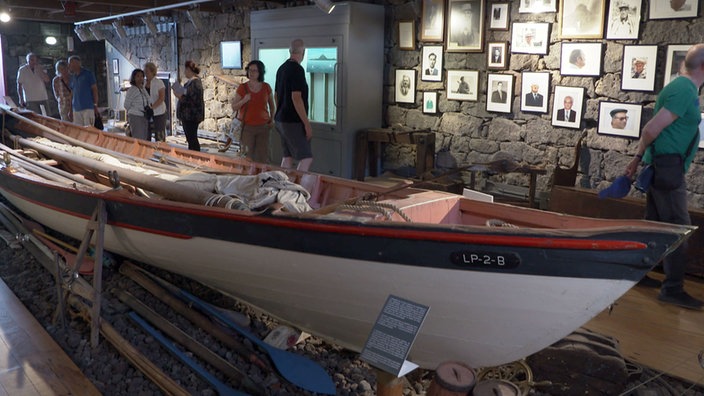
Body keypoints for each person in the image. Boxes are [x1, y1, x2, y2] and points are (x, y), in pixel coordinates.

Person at [624, 43, 704, 310]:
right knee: (678, 230)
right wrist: (637, 157)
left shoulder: (683, 88)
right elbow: (651, 129)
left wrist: (639, 159)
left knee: (654, 226)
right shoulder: (683, 90)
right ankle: (672, 289)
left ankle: (637, 275)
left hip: (664, 166)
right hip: (667, 168)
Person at [274, 39, 313, 171]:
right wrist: (306, 123)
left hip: (280, 119)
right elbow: (296, 98)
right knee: (306, 157)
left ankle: (282, 186)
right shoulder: (297, 70)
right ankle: (299, 190)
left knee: (287, 156)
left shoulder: (281, 68)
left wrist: (278, 112)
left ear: (290, 51)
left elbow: (276, 95)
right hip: (292, 121)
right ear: (303, 52)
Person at [229, 60, 276, 163]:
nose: (252, 73)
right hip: (247, 127)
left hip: (263, 127)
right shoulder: (243, 88)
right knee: (247, 156)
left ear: (260, 72)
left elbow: (272, 106)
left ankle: (263, 177)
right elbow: (234, 107)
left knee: (263, 156)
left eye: (255, 70)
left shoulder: (266, 87)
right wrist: (244, 100)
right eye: (250, 70)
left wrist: (272, 119)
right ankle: (248, 177)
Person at [174, 60, 204, 151]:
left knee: (192, 138)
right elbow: (184, 93)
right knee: (191, 138)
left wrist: (179, 94)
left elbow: (189, 98)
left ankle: (195, 156)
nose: (184, 72)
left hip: (191, 116)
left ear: (188, 70)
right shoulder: (190, 83)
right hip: (188, 115)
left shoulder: (195, 83)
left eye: (185, 70)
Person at [68, 55, 99, 127]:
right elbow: (72, 94)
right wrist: (70, 109)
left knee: (89, 128)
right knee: (78, 129)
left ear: (77, 63)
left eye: (70, 63)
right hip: (76, 108)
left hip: (87, 107)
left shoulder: (88, 74)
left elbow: (94, 90)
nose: (69, 65)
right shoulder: (73, 77)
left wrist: (95, 104)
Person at [123, 69, 150, 141]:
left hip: (144, 115)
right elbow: (126, 105)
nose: (140, 78)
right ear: (134, 78)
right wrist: (135, 110)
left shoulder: (142, 88)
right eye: (138, 76)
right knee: (138, 137)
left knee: (144, 137)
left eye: (142, 76)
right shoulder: (132, 90)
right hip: (135, 116)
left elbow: (148, 99)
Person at [144, 62, 167, 142]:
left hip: (158, 112)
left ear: (152, 72)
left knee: (159, 134)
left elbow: (161, 98)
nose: (145, 73)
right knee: (146, 134)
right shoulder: (143, 83)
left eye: (147, 71)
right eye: (145, 71)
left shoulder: (159, 83)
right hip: (146, 111)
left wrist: (152, 107)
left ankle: (161, 151)